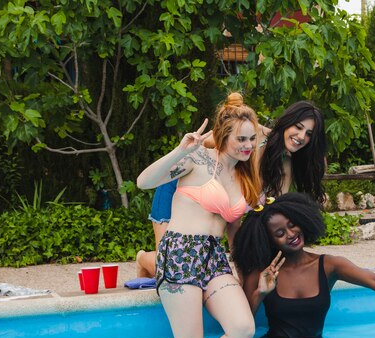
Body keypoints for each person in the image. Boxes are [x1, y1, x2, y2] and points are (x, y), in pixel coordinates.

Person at [135, 100, 328, 277]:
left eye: (309, 134)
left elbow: (271, 217)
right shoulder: (255, 139)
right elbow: (210, 142)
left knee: (191, 267)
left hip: (212, 202)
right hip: (179, 185)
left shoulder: (286, 164)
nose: (301, 136)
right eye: (298, 127)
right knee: (167, 268)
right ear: (288, 122)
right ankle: (143, 258)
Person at [136, 92, 261, 338]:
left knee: (243, 330)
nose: (248, 145)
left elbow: (235, 230)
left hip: (215, 258)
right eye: (241, 139)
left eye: (251, 138)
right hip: (181, 253)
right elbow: (143, 182)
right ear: (223, 136)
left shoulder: (244, 176)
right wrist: (180, 151)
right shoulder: (197, 160)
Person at [231, 192, 375, 338]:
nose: (291, 234)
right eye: (280, 233)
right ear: (270, 241)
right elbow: (243, 323)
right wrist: (260, 293)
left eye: (293, 225)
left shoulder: (329, 265)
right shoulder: (261, 274)